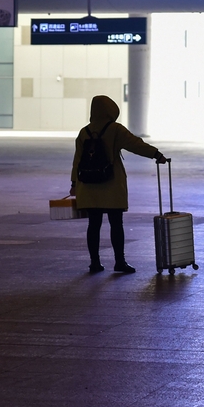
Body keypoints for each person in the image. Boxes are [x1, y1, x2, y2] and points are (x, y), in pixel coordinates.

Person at [70, 95, 167, 274]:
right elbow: (135, 144)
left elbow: (77, 160)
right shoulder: (115, 129)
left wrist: (74, 183)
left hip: (89, 184)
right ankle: (119, 261)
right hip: (111, 184)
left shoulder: (84, 132)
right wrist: (156, 154)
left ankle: (95, 263)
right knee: (116, 223)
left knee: (93, 224)